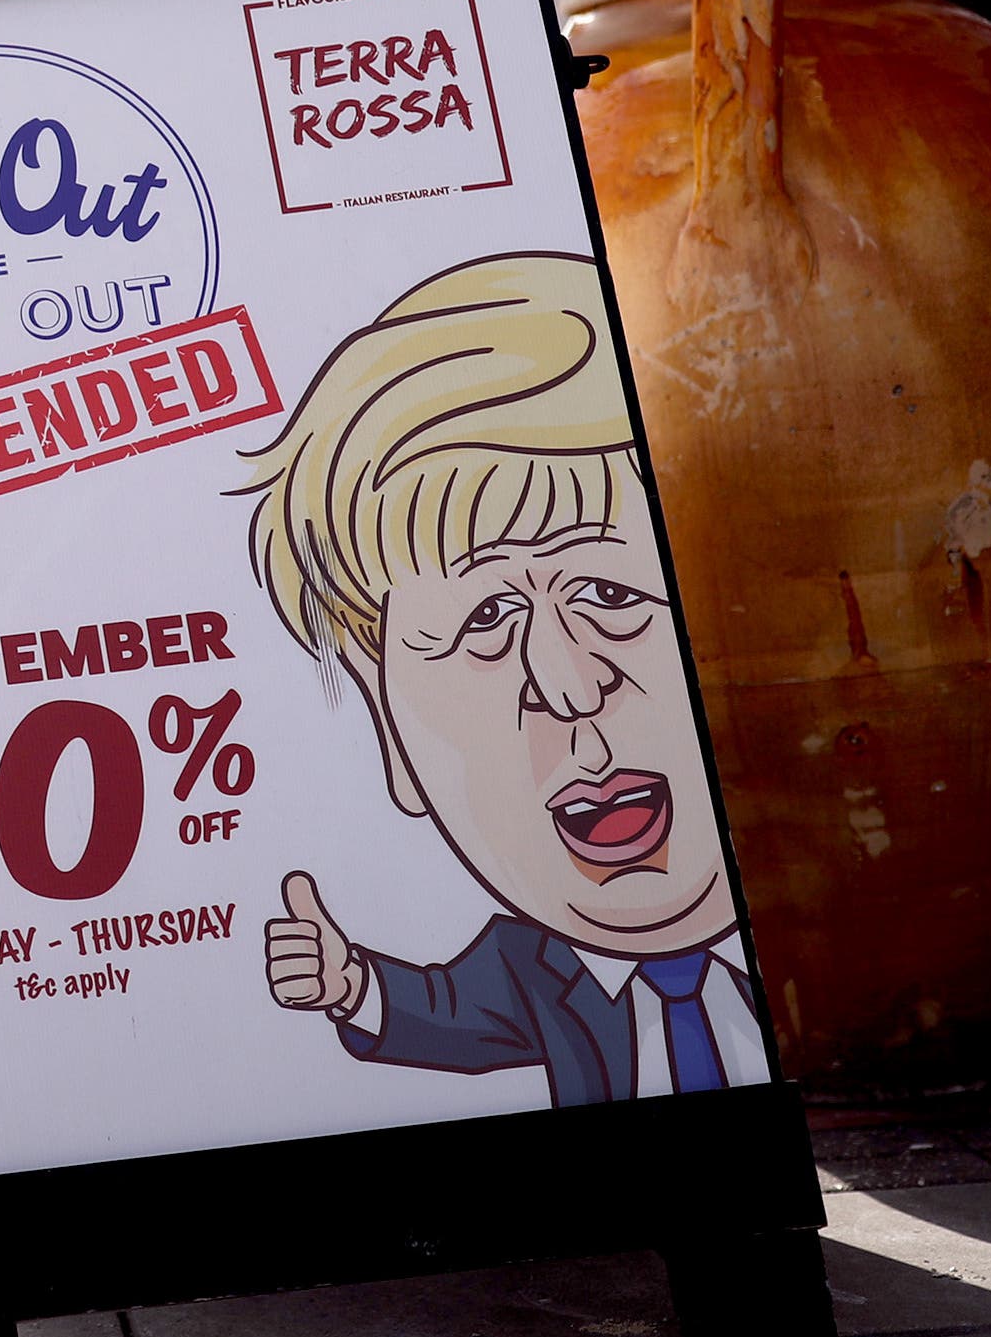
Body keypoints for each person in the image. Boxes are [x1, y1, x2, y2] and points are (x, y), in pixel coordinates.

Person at [239, 253, 766, 1106]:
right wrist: (350, 985)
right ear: (391, 736)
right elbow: (441, 1012)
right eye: (483, 619)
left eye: (608, 592)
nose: (568, 686)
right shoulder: (528, 967)